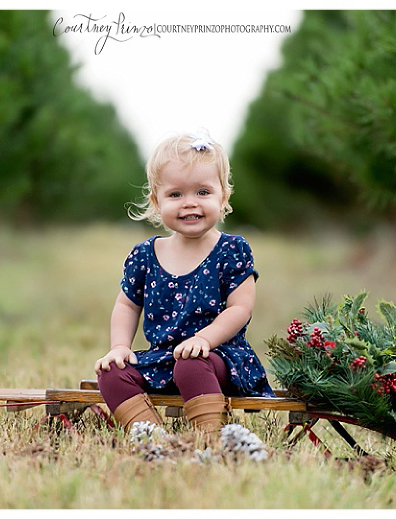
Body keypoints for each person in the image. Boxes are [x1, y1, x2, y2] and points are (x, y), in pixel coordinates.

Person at [94, 131, 274, 433]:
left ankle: (212, 439)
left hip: (218, 357)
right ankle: (151, 438)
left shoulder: (232, 250)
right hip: (163, 357)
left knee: (191, 363)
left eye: (203, 192)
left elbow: (240, 309)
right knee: (111, 372)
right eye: (175, 195)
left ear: (223, 196)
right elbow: (127, 304)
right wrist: (119, 347)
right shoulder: (145, 255)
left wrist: (204, 340)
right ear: (156, 200)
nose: (189, 203)